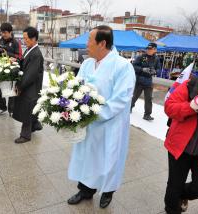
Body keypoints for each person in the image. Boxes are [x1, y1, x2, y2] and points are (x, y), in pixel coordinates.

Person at [67, 25, 136, 208]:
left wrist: (94, 113)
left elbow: (121, 99)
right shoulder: (88, 63)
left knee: (109, 158)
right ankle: (85, 190)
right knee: (87, 157)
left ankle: (108, 191)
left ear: (102, 43)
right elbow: (77, 86)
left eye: (89, 40)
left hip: (110, 124)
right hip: (88, 123)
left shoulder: (123, 66)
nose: (86, 44)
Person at [164, 73, 198, 214]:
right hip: (180, 147)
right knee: (174, 186)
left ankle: (181, 195)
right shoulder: (190, 84)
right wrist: (191, 106)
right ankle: (172, 206)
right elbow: (169, 107)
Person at [12, 27, 43, 144]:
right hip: (29, 85)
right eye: (23, 38)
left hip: (31, 86)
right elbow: (23, 62)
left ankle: (25, 135)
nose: (24, 41)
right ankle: (36, 125)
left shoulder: (36, 54)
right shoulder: (30, 50)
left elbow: (30, 74)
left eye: (26, 38)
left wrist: (20, 86)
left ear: (34, 38)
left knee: (27, 109)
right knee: (29, 108)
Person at [0, 23, 22, 116]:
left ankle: (11, 110)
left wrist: (7, 52)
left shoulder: (15, 42)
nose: (3, 34)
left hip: (11, 69)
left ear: (10, 32)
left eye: (5, 33)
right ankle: (3, 107)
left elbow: (19, 56)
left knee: (11, 90)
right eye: (2, 32)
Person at [131, 43, 161, 121]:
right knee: (135, 96)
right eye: (147, 48)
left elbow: (158, 69)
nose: (148, 50)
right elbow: (133, 66)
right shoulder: (141, 56)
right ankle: (129, 107)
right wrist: (142, 69)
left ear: (155, 50)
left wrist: (155, 71)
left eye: (150, 49)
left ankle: (147, 114)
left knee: (149, 98)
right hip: (139, 80)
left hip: (148, 81)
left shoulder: (156, 59)